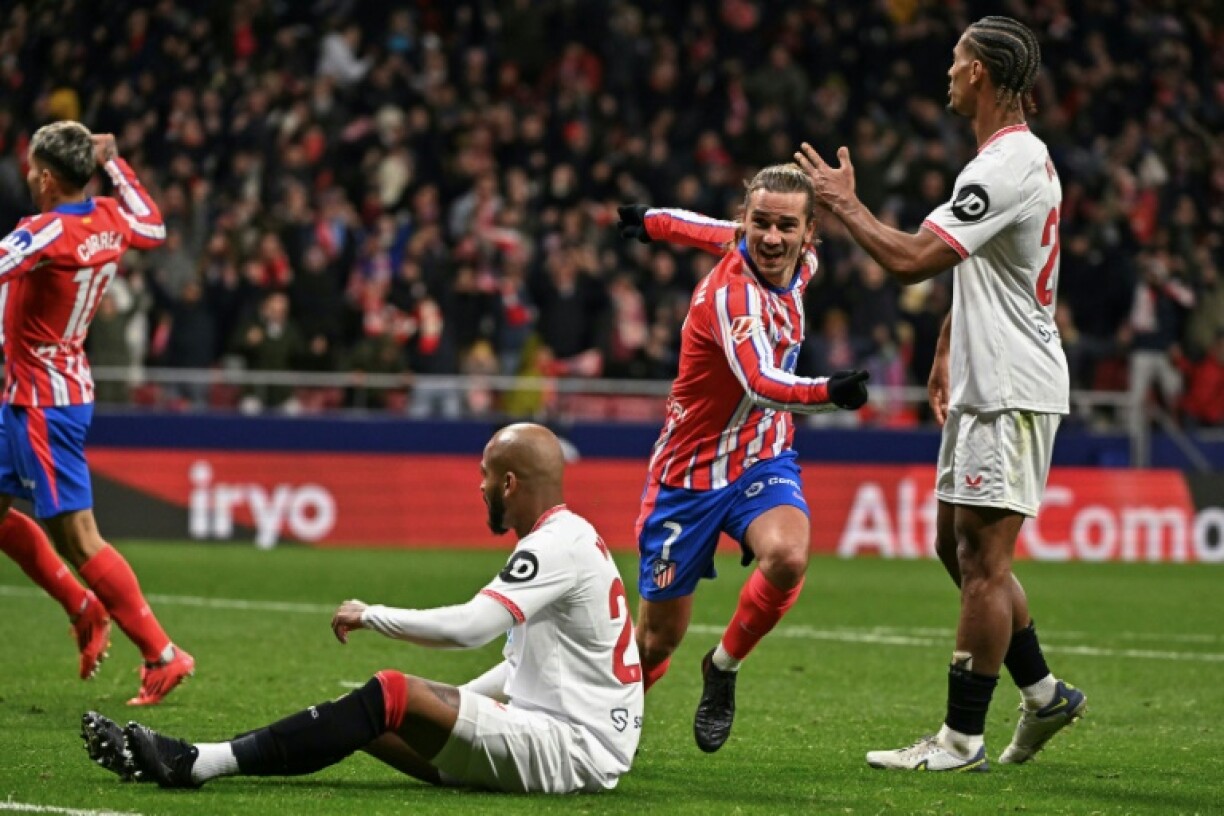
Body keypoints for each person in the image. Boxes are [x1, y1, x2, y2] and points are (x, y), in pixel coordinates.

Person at [794, 16, 1086, 771]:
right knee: (952, 547)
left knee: (984, 561)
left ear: (982, 72)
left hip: (1011, 387)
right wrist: (946, 343)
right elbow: (991, 267)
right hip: (983, 378)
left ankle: (960, 740)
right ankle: (1045, 692)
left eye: (957, 63)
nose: (948, 75)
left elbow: (914, 258)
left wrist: (844, 205)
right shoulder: (1005, 161)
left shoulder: (1005, 165)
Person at [83, 423, 644, 794]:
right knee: (365, 719)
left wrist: (373, 613)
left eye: (486, 476)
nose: (480, 488)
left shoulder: (553, 547)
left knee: (392, 693)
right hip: (579, 738)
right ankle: (200, 760)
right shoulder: (568, 540)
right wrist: (456, 706)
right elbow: (521, 666)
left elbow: (473, 627)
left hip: (573, 748)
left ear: (512, 483)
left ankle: (194, 763)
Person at [614, 164, 870, 754]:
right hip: (688, 477)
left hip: (762, 457)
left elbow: (711, 229)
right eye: (761, 224)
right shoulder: (732, 297)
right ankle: (597, 726)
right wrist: (828, 392)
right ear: (746, 222)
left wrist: (655, 222)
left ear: (810, 235)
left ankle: (722, 668)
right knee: (656, 642)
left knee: (787, 555)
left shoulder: (799, 266)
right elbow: (760, 382)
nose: (772, 237)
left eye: (786, 226)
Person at [0, 121, 193, 705]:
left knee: (81, 538)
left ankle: (162, 653)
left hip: (41, 402)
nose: (28, 178)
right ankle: (83, 607)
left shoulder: (45, 231)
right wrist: (118, 164)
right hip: (48, 388)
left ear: (49, 178)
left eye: (34, 169)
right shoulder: (110, 218)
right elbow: (154, 225)